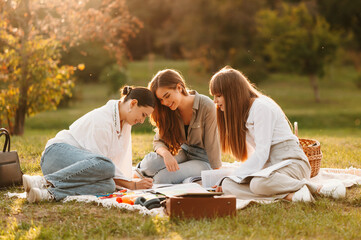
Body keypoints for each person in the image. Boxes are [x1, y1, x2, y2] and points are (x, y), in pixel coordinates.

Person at [209, 66, 346, 202]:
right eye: (214, 96)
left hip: (291, 163)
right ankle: (291, 196)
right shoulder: (242, 115)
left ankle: (317, 188)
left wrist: (236, 175)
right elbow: (254, 156)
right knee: (228, 185)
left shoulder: (261, 107)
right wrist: (230, 179)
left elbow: (261, 154)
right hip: (269, 170)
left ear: (233, 93)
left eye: (219, 96)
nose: (215, 101)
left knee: (258, 184)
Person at [23, 86, 155, 203]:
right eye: (143, 114)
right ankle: (42, 182)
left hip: (74, 172)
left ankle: (48, 194)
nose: (142, 121)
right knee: (107, 166)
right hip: (55, 155)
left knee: (108, 185)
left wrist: (129, 183)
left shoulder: (124, 123)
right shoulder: (103, 119)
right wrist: (132, 185)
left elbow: (101, 170)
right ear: (133, 103)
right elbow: (102, 165)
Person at [136, 69, 222, 183]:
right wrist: (166, 155)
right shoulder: (168, 110)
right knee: (148, 165)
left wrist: (216, 175)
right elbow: (158, 141)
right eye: (161, 100)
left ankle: (150, 178)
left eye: (167, 96)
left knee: (162, 179)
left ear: (179, 87)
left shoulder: (206, 106)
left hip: (203, 159)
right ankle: (141, 175)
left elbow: (213, 145)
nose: (165, 103)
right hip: (183, 151)